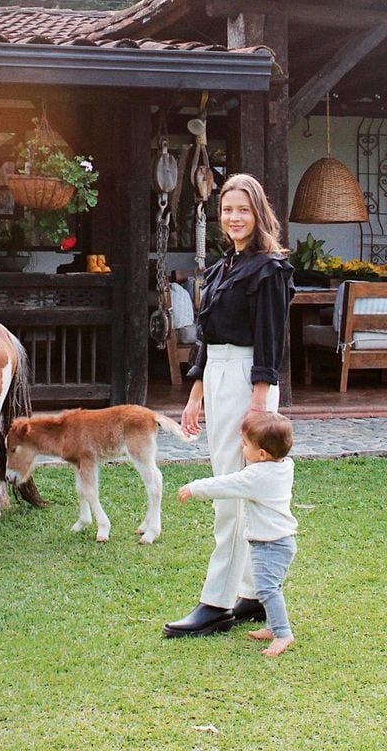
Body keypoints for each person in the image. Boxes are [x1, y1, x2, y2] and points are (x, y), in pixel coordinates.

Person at [162, 172, 294, 639]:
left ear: (258, 213)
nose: (234, 218)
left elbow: (270, 342)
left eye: (243, 209)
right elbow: (206, 338)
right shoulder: (223, 268)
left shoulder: (269, 269)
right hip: (217, 376)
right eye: (227, 210)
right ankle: (255, 595)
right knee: (238, 489)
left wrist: (258, 404)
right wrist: (196, 394)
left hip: (247, 382)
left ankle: (216, 603)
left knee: (232, 490)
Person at [177, 411, 298, 656]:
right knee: (270, 586)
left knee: (267, 589)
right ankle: (273, 626)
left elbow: (225, 484)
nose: (242, 449)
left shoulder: (257, 476)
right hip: (280, 541)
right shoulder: (284, 466)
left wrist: (194, 488)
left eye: (245, 445)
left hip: (270, 544)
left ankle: (283, 633)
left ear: (262, 455)